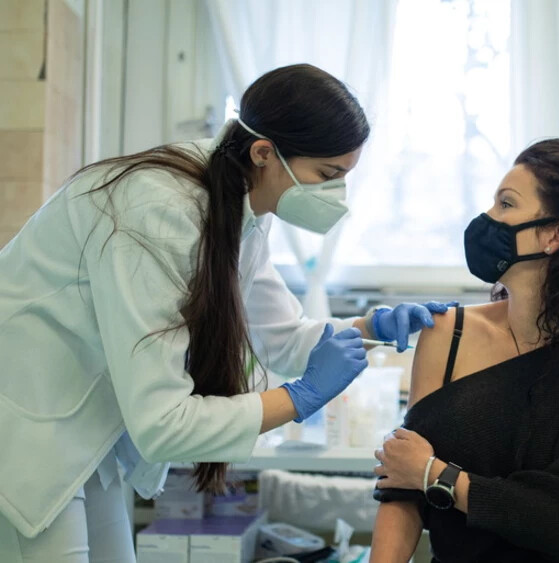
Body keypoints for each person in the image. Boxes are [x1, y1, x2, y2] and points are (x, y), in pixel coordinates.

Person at [0, 64, 448, 562]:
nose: (335, 195)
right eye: (328, 175)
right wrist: (300, 397)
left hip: (82, 424)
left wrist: (370, 328)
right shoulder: (159, 212)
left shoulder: (240, 205)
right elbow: (165, 422)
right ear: (263, 153)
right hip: (25, 422)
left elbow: (280, 336)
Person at [369, 139, 559, 563]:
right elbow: (402, 488)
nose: (488, 219)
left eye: (506, 204)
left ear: (556, 233)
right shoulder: (448, 332)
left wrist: (434, 473)